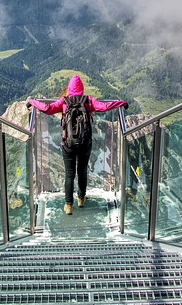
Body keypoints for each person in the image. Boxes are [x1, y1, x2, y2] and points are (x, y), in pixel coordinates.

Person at [27, 75, 128, 215]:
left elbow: (48, 109)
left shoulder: (64, 101)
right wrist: (120, 103)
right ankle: (81, 198)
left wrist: (32, 102)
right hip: (85, 143)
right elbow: (104, 107)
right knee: (82, 171)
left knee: (69, 174)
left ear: (69, 89)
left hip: (68, 144)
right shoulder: (88, 100)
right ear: (82, 89)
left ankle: (69, 205)